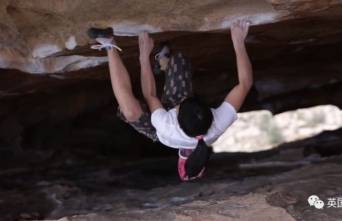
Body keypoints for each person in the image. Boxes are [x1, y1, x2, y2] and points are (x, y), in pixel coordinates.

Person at [88, 20, 253, 181]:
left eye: (180, 105)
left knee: (130, 111)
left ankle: (109, 44)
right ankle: (164, 64)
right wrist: (239, 42)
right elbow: (245, 84)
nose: (179, 103)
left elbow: (150, 95)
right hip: (184, 119)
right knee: (179, 57)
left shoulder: (167, 127)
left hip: (159, 130)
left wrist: (144, 56)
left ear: (177, 115)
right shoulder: (219, 123)